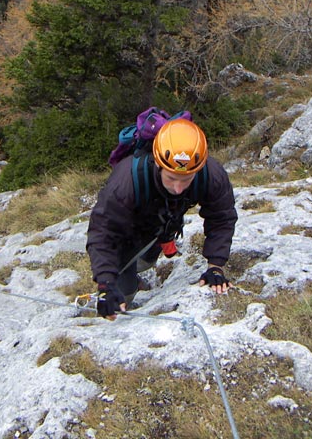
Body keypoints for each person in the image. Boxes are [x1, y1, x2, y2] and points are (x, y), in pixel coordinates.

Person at [86, 118, 238, 320]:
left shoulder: (211, 174)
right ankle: (125, 296)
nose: (178, 188)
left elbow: (222, 217)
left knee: (147, 261)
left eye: (186, 179)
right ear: (157, 163)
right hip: (126, 233)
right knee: (124, 289)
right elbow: (103, 232)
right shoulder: (125, 182)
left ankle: (138, 271)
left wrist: (215, 266)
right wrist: (105, 284)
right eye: (171, 178)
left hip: (161, 227)